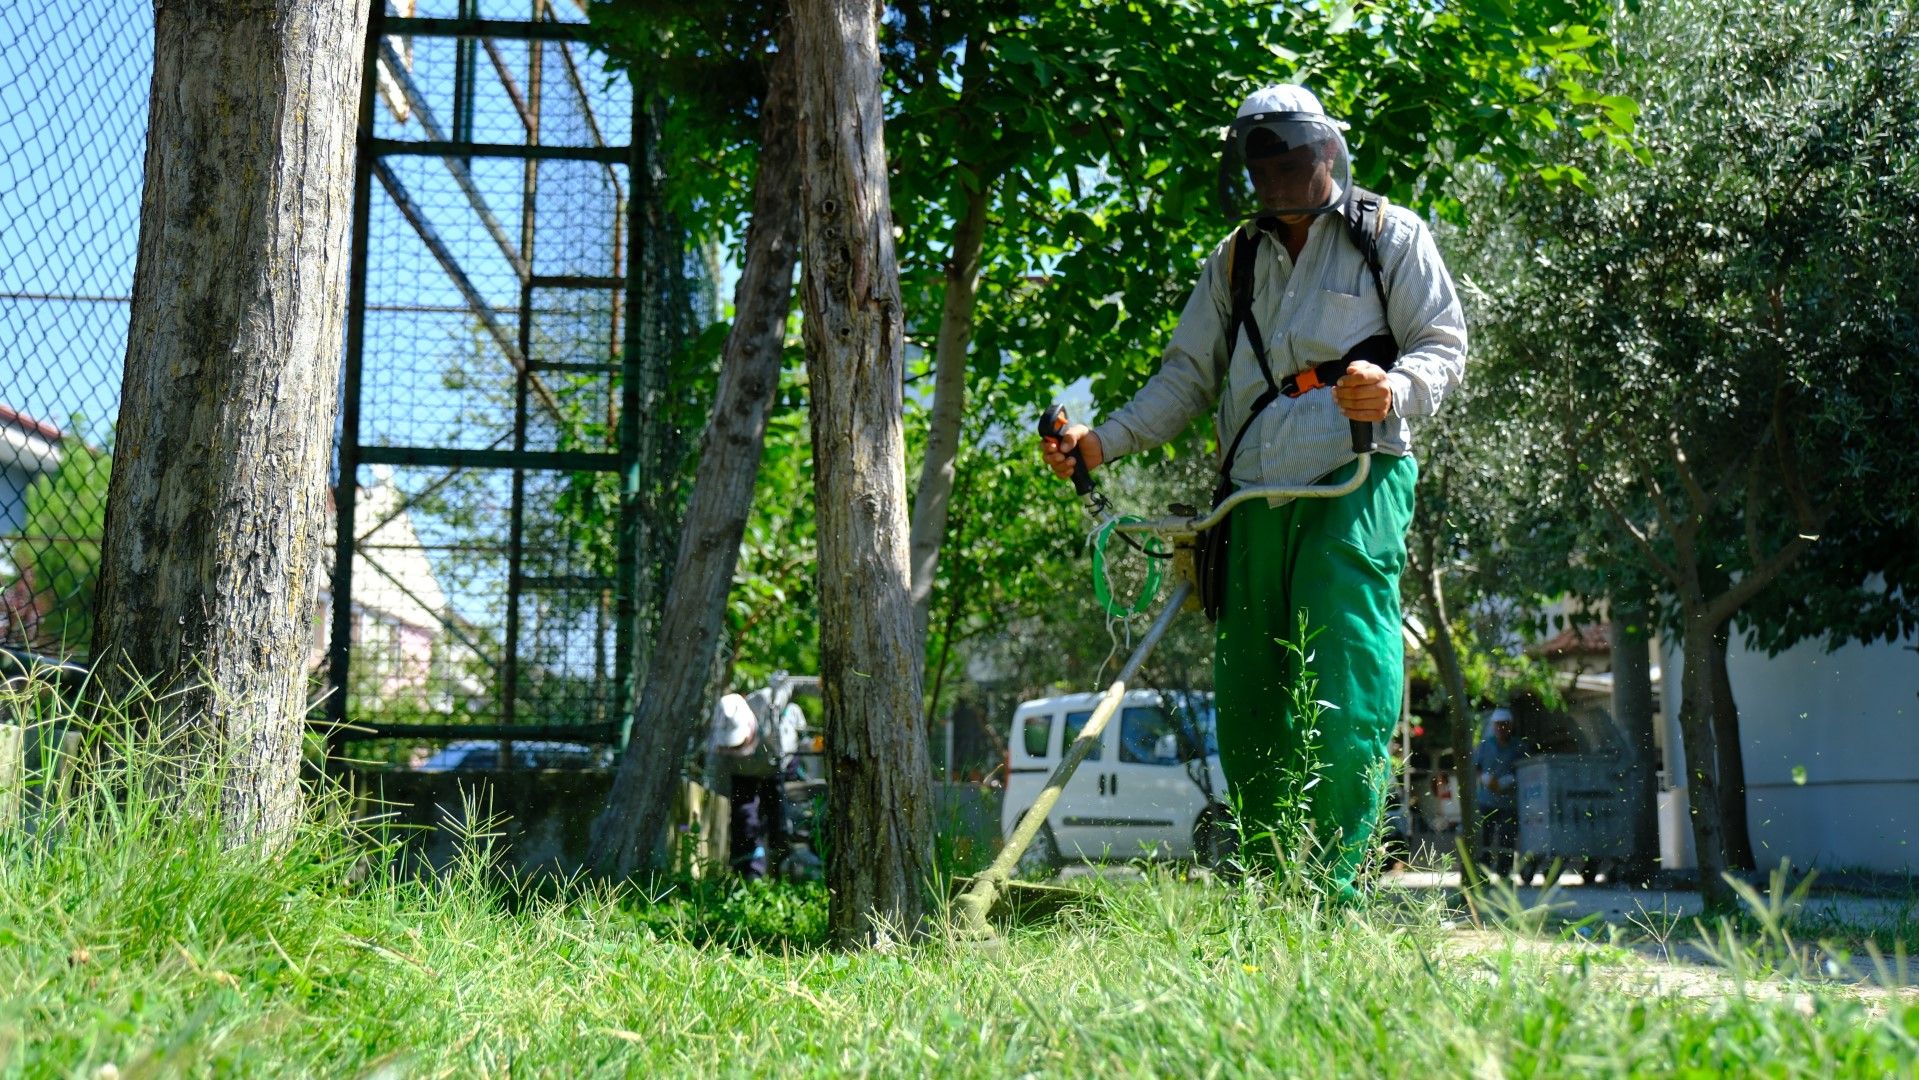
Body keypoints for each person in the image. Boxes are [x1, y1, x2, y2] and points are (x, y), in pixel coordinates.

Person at [1039, 85, 1467, 901]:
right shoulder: (1232, 258)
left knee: (1340, 693)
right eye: (1262, 162)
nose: (1278, 174)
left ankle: (1330, 891)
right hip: (1247, 500)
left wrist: (1394, 387)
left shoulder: (1389, 235)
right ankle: (1272, 892)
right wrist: (1099, 443)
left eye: (1292, 158)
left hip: (1353, 480)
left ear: (1328, 155)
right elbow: (1184, 381)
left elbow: (1443, 346)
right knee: (1247, 708)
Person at [706, 689, 802, 878]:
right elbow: (716, 779)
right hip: (742, 775)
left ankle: (783, 865)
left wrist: (820, 686)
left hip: (776, 767)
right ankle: (749, 872)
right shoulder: (718, 744)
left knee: (779, 821)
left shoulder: (768, 700)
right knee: (744, 820)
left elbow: (792, 685)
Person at [1472, 707, 1533, 880]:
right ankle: (1482, 873)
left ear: (1510, 726)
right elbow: (1476, 768)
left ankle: (1504, 873)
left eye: (1505, 725)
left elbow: (1525, 770)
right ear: (1493, 726)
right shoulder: (1484, 746)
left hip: (1509, 802)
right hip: (1486, 800)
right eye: (1498, 725)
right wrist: (1484, 779)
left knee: (1507, 838)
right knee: (1484, 837)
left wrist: (1509, 780)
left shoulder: (1519, 746)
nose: (1501, 728)